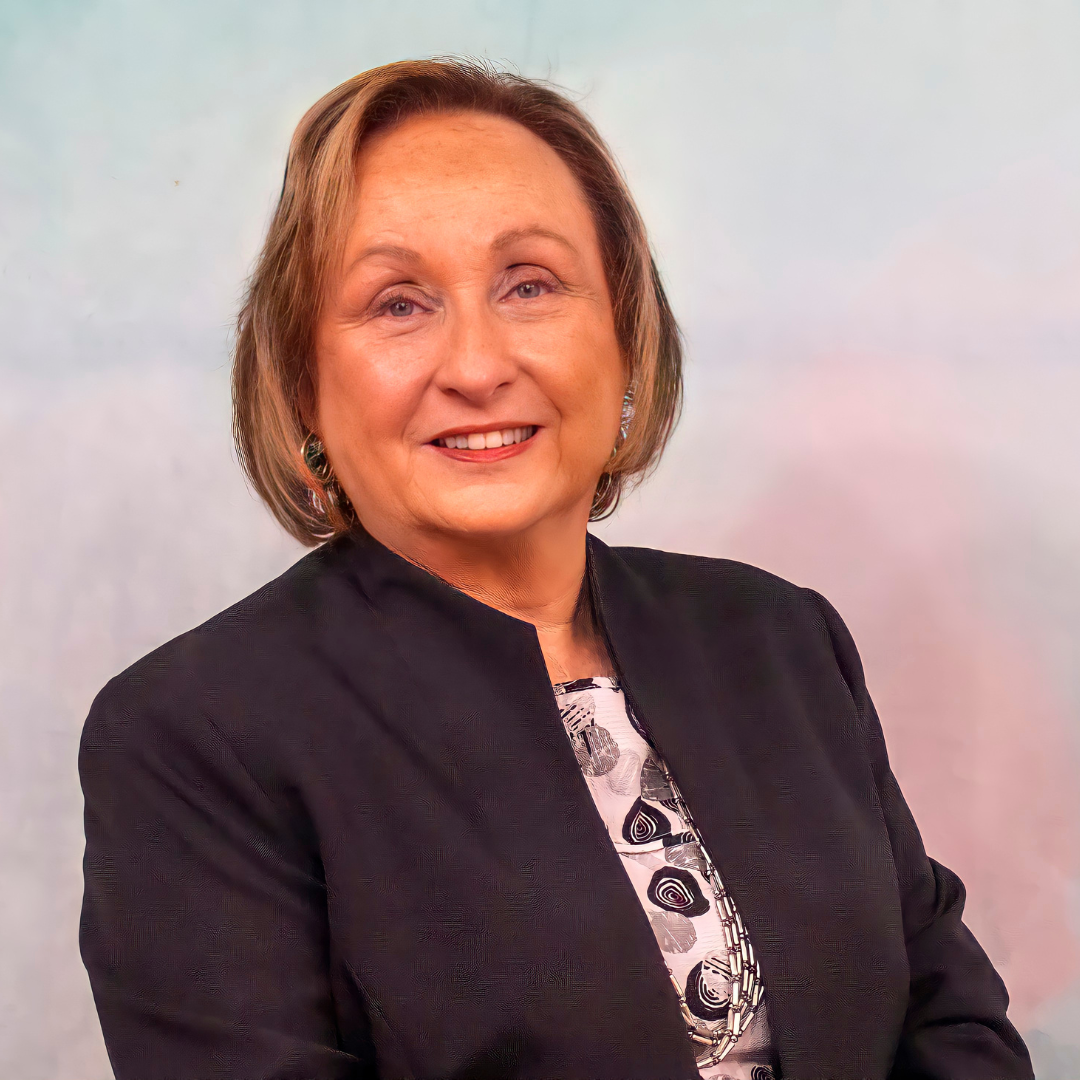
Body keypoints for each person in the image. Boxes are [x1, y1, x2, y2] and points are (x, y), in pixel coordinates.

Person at [78, 58, 1034, 1080]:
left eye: (529, 285)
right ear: (304, 384)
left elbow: (951, 1021)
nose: (477, 366)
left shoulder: (779, 639)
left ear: (624, 339)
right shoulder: (195, 739)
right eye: (397, 304)